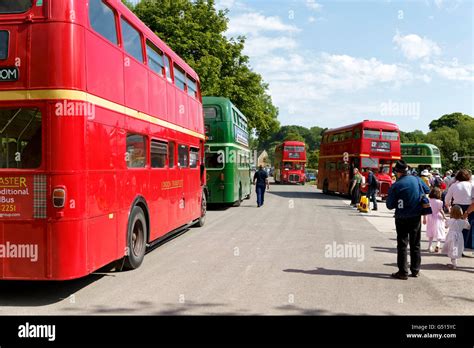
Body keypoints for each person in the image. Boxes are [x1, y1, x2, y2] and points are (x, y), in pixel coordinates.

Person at [386, 160, 430, 280]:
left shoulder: (396, 185)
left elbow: (389, 205)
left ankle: (403, 271)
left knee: (402, 245)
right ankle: (415, 270)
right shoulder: (416, 179)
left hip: (401, 217)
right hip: (415, 215)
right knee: (415, 244)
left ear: (398, 172)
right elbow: (427, 190)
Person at [444, 169, 473, 250]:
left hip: (456, 208)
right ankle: (466, 246)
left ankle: (456, 248)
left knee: (456, 229)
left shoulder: (454, 185)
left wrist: (448, 206)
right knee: (468, 228)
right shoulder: (471, 185)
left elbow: (447, 199)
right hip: (470, 208)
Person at [423, 187, 446, 253]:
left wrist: (424, 218)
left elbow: (425, 210)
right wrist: (444, 217)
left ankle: (429, 246)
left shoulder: (428, 201)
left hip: (430, 217)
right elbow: (441, 210)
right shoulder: (440, 202)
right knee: (439, 231)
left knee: (431, 232)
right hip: (438, 217)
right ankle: (438, 244)